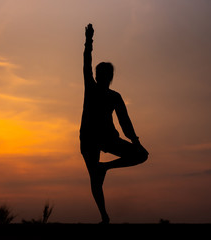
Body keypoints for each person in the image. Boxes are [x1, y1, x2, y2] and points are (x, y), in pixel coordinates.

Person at [80, 24, 149, 224]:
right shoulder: (91, 87)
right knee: (94, 176)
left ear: (109, 77)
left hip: (108, 138)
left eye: (105, 74)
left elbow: (125, 122)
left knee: (142, 155)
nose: (102, 77)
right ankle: (104, 216)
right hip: (89, 138)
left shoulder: (114, 97)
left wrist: (136, 142)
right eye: (99, 74)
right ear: (97, 75)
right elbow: (86, 61)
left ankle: (106, 168)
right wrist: (89, 40)